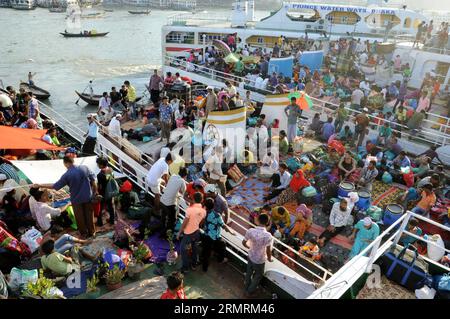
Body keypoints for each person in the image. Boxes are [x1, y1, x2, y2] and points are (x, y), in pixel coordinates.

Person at [35, 156, 97, 238]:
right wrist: (95, 192)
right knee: (89, 215)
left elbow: (55, 186)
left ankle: (84, 234)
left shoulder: (67, 175)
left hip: (76, 200)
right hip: (88, 197)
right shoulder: (84, 168)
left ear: (65, 163)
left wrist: (40, 185)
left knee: (80, 218)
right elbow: (93, 179)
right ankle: (92, 232)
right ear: (73, 160)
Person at [242, 213, 273, 297]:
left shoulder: (250, 231)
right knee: (258, 276)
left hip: (251, 256)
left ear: (258, 220)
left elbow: (243, 242)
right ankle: (249, 291)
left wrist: (250, 248)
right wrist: (270, 259)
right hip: (260, 260)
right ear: (267, 223)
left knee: (249, 272)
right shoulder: (268, 236)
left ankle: (246, 287)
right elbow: (268, 250)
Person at [201, 197, 235, 272]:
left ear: (205, 206)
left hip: (206, 235)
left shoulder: (203, 213)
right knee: (223, 245)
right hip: (215, 237)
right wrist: (231, 231)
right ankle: (220, 259)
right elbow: (223, 226)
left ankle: (204, 268)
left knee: (206, 253)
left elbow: (202, 223)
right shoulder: (217, 215)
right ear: (213, 206)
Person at [177, 192, 206, 273]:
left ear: (193, 199)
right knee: (195, 248)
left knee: (183, 250)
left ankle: (185, 267)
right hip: (196, 232)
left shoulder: (189, 210)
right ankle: (194, 264)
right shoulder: (204, 211)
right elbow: (201, 223)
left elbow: (185, 223)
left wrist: (179, 232)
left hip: (188, 234)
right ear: (202, 200)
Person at [160, 167, 187, 237]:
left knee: (164, 216)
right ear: (185, 175)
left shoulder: (173, 176)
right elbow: (184, 192)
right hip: (169, 203)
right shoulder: (182, 181)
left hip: (162, 199)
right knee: (173, 219)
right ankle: (167, 234)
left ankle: (161, 229)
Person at [96, 157, 115, 226]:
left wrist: (97, 192)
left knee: (99, 208)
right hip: (111, 191)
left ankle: (100, 222)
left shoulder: (100, 175)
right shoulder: (110, 170)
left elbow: (100, 186)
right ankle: (112, 220)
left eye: (97, 164)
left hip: (103, 193)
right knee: (111, 206)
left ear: (101, 165)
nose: (97, 165)